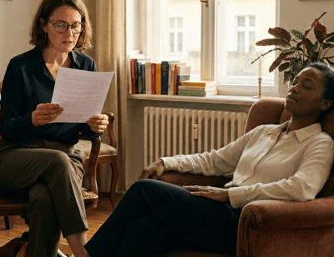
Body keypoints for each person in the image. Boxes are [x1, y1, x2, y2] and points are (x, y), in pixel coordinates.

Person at [83, 62, 334, 257]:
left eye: (307, 86)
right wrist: (166, 162)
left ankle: (85, 254)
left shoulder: (320, 143)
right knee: (141, 229)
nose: (295, 88)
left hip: (246, 221)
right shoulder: (264, 132)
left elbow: (302, 188)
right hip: (219, 213)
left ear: (325, 103)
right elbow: (215, 160)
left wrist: (231, 195)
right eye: (296, 81)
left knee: (142, 190)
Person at [0, 0, 109, 257]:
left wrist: (94, 125)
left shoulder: (85, 65)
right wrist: (31, 119)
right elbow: (5, 128)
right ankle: (83, 252)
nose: (69, 34)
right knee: (58, 161)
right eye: (60, 25)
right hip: (15, 158)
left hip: (64, 158)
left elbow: (83, 130)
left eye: (75, 26)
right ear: (43, 25)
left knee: (43, 197)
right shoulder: (20, 67)